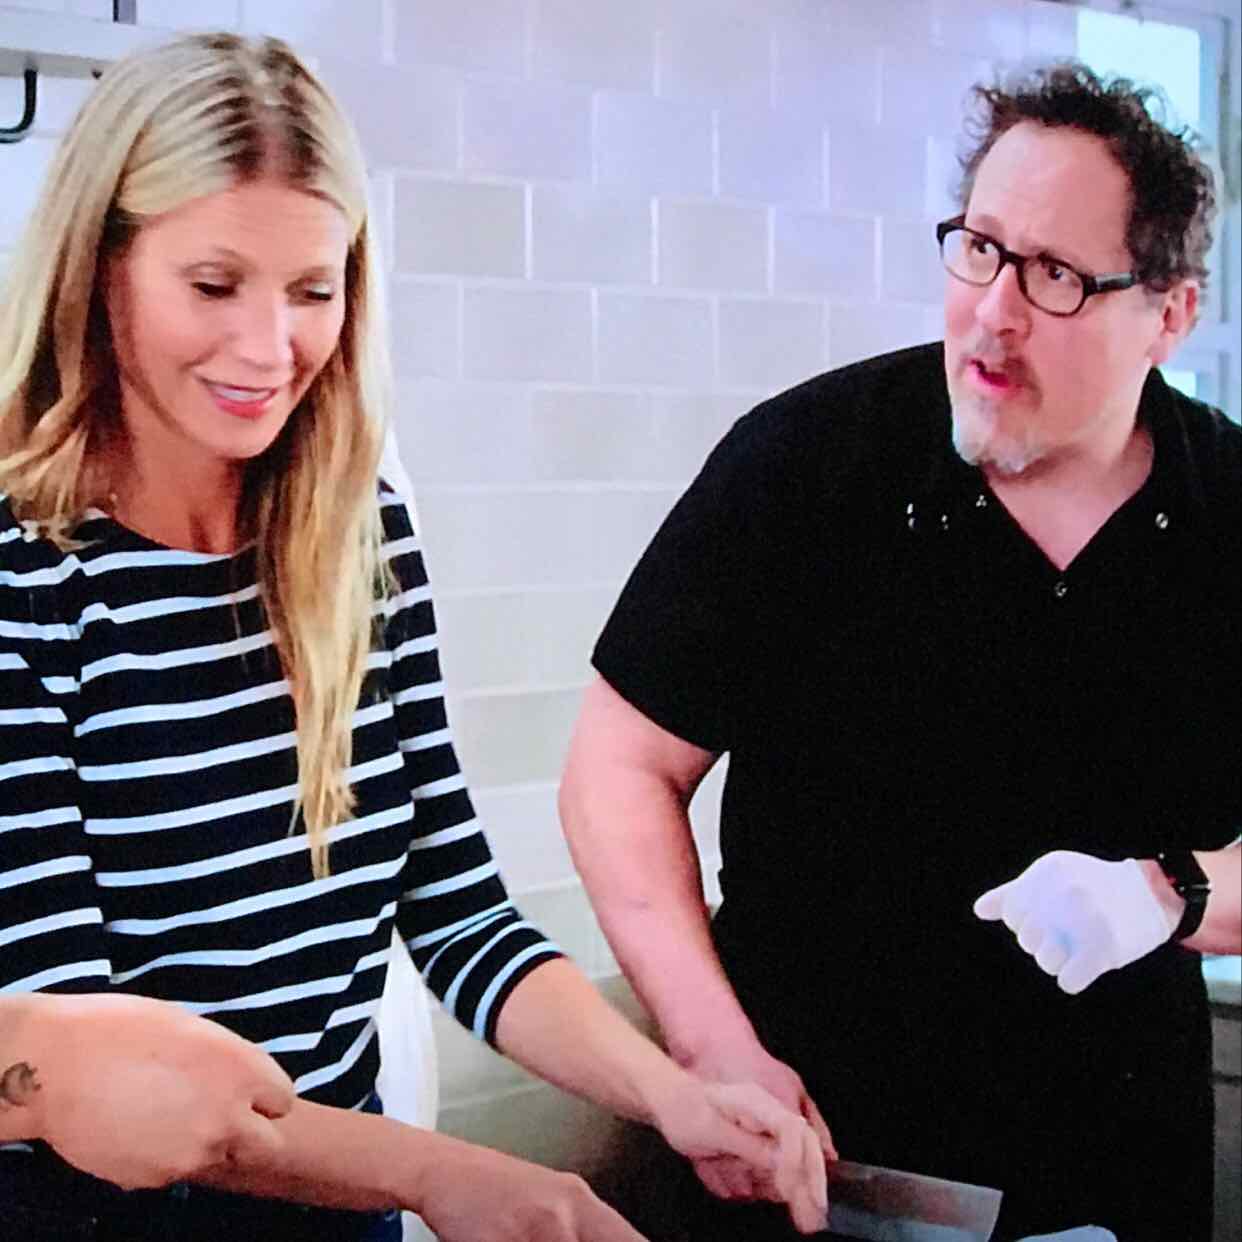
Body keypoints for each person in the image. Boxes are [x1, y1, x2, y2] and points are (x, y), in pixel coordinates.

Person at [0, 31, 832, 1242]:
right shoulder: (26, 575)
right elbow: (98, 1063)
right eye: (214, 285)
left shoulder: (356, 540)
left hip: (345, 1214)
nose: (269, 347)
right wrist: (445, 1175)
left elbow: (455, 908)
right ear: (102, 268)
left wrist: (678, 1097)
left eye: (313, 289)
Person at [559, 63, 1240, 1242]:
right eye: (979, 249)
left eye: (1057, 277)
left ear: (1170, 315)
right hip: (809, 1171)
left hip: (1113, 1182)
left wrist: (1165, 893)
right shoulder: (808, 462)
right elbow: (618, 768)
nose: (994, 311)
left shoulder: (1229, 511)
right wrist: (714, 1048)